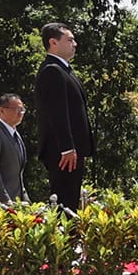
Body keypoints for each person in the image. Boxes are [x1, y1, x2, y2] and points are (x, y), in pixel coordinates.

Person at [32, 22, 94, 210]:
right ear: (53, 42)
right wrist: (67, 147)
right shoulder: (52, 70)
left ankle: (68, 237)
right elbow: (57, 112)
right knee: (63, 202)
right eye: (70, 40)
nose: (75, 44)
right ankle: (61, 238)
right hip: (63, 152)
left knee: (71, 199)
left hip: (72, 150)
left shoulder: (64, 70)